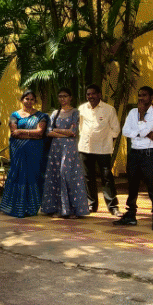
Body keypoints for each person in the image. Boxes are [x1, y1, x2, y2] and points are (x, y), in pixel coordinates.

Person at [115, 85, 153, 231]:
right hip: (134, 153)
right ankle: (130, 215)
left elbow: (142, 131)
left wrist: (141, 119)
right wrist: (146, 133)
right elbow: (125, 131)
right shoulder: (132, 112)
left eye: (145, 95)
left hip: (148, 154)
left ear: (151, 97)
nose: (141, 98)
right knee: (133, 185)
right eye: (139, 95)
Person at [0, 90, 48, 218]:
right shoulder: (15, 115)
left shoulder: (41, 116)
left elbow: (40, 133)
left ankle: (31, 208)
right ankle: (12, 207)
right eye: (27, 98)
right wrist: (31, 134)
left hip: (34, 152)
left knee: (32, 176)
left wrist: (21, 131)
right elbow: (14, 132)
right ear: (22, 100)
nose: (29, 101)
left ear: (35, 101)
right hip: (18, 151)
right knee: (17, 175)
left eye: (32, 99)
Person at [41, 87, 89, 218]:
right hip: (56, 148)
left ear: (70, 97)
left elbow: (73, 132)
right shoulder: (55, 113)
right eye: (60, 96)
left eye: (65, 96)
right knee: (55, 175)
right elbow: (48, 132)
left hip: (69, 148)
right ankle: (57, 209)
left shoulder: (75, 112)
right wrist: (64, 133)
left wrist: (58, 131)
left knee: (66, 174)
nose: (63, 99)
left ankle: (73, 209)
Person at [78, 84, 121, 215]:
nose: (90, 96)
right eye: (88, 94)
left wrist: (106, 139)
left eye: (93, 94)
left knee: (107, 177)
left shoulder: (109, 109)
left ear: (99, 95)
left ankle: (113, 206)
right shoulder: (82, 109)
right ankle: (91, 204)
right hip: (85, 148)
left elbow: (116, 130)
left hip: (103, 149)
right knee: (88, 177)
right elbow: (80, 127)